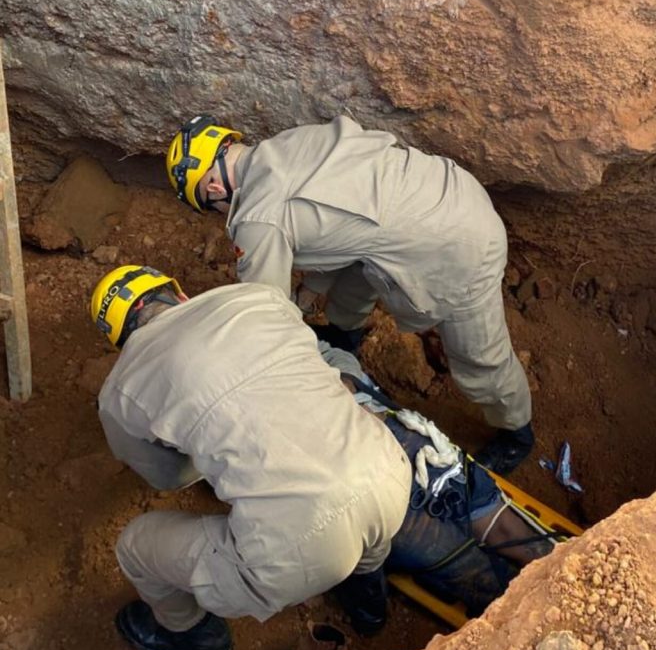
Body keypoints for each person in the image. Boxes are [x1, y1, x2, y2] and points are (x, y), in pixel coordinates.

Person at [90, 265, 553, 650]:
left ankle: (196, 638)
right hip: (387, 471)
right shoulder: (254, 298)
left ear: (124, 341)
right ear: (180, 294)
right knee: (371, 523)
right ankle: (369, 607)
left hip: (295, 546)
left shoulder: (120, 390)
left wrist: (207, 439)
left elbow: (168, 477)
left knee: (135, 548)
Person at [164, 115, 534, 474]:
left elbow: (268, 319)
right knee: (360, 270)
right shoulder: (288, 144)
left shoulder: (257, 219)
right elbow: (338, 229)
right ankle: (345, 333)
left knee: (480, 358)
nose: (221, 212)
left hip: (459, 249)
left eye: (213, 207)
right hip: (450, 192)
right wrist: (309, 293)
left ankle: (517, 432)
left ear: (213, 189)